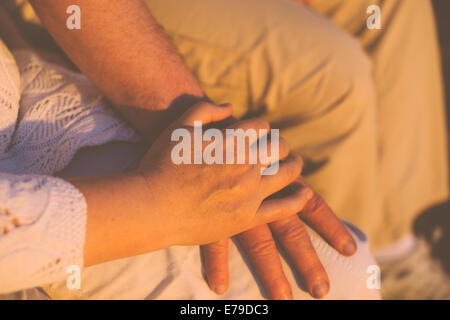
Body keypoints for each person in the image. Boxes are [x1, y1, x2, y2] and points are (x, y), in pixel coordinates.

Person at [0, 1, 380, 300]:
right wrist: (158, 205)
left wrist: (202, 148)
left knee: (344, 263)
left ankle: (400, 253)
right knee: (345, 279)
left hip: (28, 95)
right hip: (43, 216)